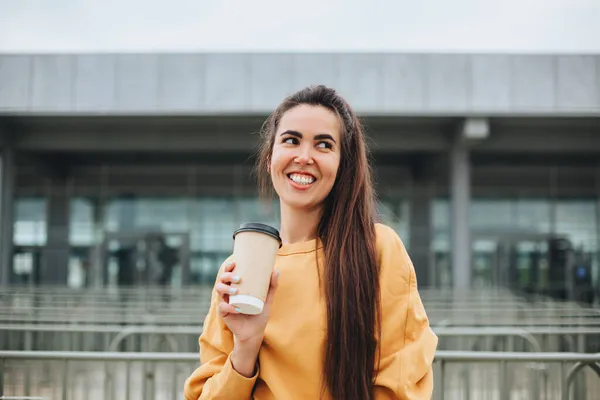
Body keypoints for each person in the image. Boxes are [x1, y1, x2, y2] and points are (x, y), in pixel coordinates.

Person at [184, 85, 438, 399]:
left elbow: (401, 381)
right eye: (291, 140)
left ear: (343, 165)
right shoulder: (239, 268)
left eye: (323, 144)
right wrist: (245, 348)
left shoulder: (378, 249)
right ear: (269, 158)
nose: (304, 157)